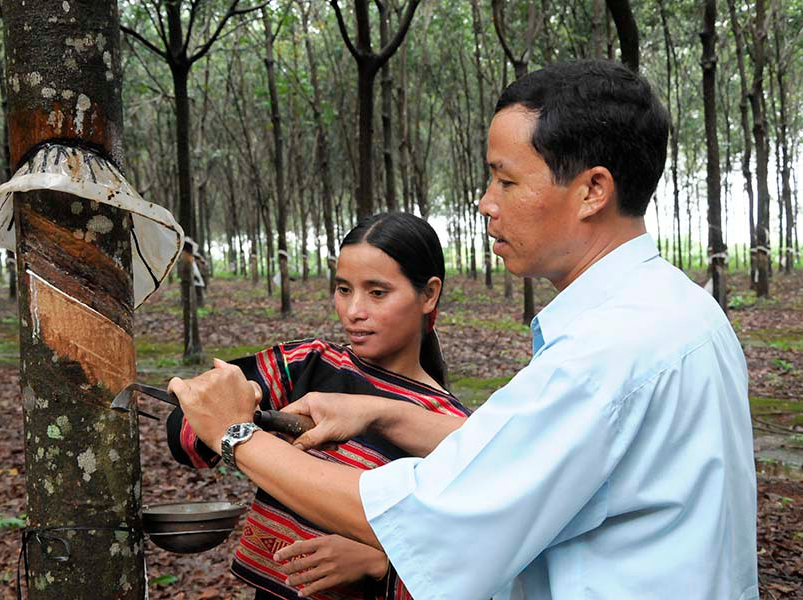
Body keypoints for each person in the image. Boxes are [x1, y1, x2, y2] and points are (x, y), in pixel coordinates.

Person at [170, 60, 758, 599]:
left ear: (592, 191)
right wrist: (382, 414)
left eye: (505, 180)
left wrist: (236, 435)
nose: (484, 203)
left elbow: (423, 517)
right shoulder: (678, 309)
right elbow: (523, 464)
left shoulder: (605, 353)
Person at [166, 212, 470, 600]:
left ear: (428, 294)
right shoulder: (307, 364)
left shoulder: (451, 429)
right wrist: (229, 414)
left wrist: (380, 564)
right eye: (344, 289)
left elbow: (461, 564)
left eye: (377, 293)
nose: (353, 311)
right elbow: (184, 430)